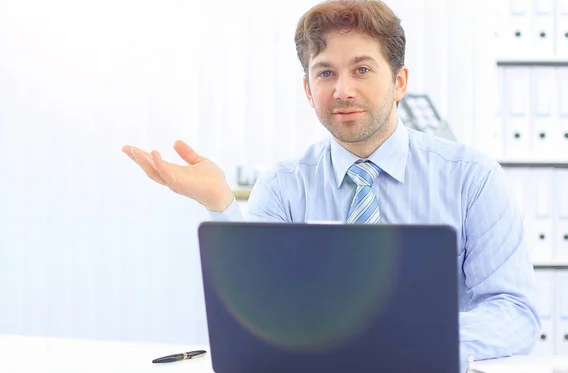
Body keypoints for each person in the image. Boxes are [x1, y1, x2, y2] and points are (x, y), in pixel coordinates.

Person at [122, 0, 540, 365]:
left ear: (399, 82)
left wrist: (409, 343)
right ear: (307, 88)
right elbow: (258, 312)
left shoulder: (473, 178)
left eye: (361, 69)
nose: (343, 91)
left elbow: (514, 313)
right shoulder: (283, 186)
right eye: (325, 74)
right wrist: (222, 204)